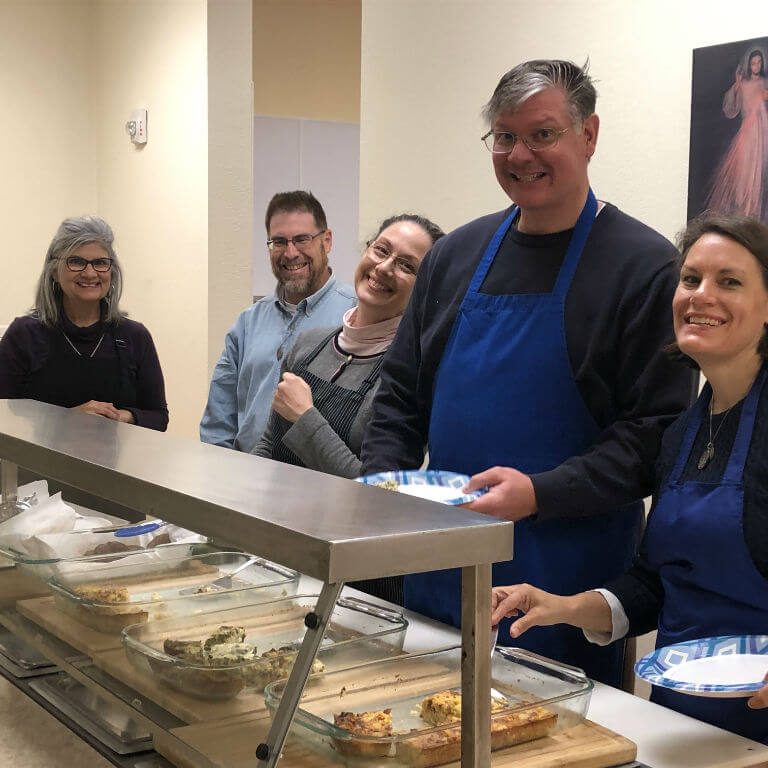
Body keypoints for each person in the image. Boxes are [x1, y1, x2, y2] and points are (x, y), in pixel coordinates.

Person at [361, 59, 697, 687]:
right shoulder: (454, 256)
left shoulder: (644, 268)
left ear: (588, 135)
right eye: (505, 137)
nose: (521, 154)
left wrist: (539, 493)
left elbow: (654, 435)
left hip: (563, 591)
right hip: (438, 569)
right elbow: (400, 397)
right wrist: (384, 491)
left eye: (543, 134)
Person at [492, 214, 768, 742]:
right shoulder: (680, 433)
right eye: (690, 279)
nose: (700, 296)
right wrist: (563, 606)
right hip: (680, 721)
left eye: (729, 282)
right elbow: (654, 585)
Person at [254, 214, 444, 478]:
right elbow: (268, 444)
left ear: (426, 287)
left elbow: (377, 492)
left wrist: (305, 418)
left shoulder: (407, 378)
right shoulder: (307, 344)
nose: (384, 267)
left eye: (406, 266)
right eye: (381, 250)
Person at [200, 191, 356, 452]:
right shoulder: (248, 324)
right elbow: (218, 421)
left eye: (302, 239)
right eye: (279, 242)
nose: (291, 252)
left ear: (326, 241)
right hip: (246, 481)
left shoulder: (356, 314)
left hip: (322, 484)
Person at [0, 216, 168, 430]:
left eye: (100, 263)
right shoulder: (24, 334)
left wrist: (123, 416)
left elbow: (159, 417)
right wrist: (68, 420)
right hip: (39, 462)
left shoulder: (134, 336)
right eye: (76, 261)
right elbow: (3, 417)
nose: (90, 273)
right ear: (54, 271)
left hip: (114, 464)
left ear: (112, 271)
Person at [706, 47, 768, 222]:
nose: (756, 66)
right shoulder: (743, 84)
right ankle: (743, 210)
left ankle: (752, 210)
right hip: (747, 131)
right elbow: (731, 107)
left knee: (757, 170)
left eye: (759, 62)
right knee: (742, 169)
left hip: (761, 132)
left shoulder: (764, 83)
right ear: (749, 64)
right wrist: (737, 84)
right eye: (753, 63)